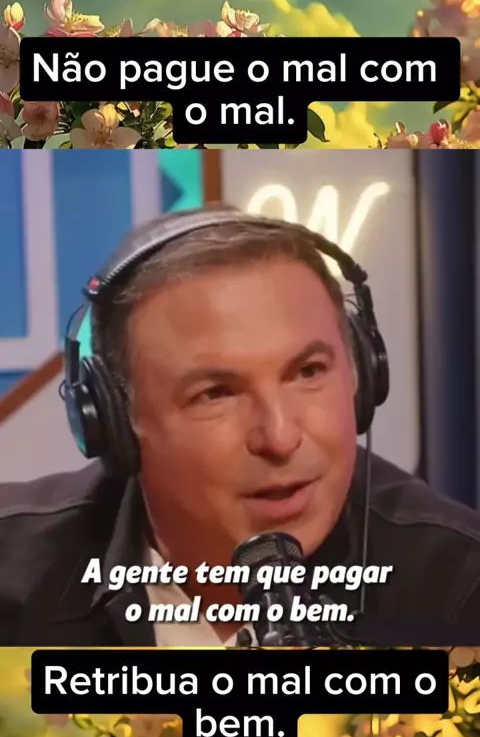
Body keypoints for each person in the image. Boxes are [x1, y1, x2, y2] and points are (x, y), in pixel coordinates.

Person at [0, 205, 479, 647]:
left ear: (362, 373)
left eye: (308, 371)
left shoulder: (457, 585)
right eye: (216, 393)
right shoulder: (13, 582)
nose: (280, 437)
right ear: (112, 421)